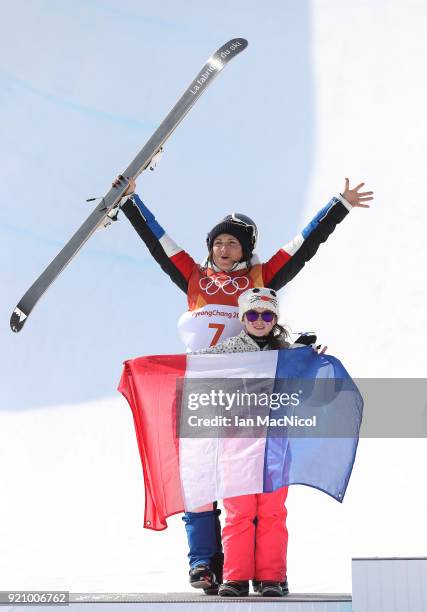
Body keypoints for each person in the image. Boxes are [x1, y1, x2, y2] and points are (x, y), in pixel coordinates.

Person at [113, 175, 372, 592]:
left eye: (233, 243)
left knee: (239, 483)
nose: (223, 249)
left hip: (246, 397)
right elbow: (160, 242)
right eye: (218, 242)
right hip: (200, 391)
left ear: (247, 249)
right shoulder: (194, 278)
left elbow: (303, 244)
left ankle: (252, 570)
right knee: (197, 479)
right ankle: (204, 563)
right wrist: (129, 203)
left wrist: (339, 204)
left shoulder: (261, 277)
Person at [193, 286, 325, 598]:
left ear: (275, 317)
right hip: (238, 440)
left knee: (272, 512)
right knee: (239, 510)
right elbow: (196, 365)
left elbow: (303, 395)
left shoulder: (287, 352)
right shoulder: (229, 349)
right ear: (243, 318)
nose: (260, 320)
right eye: (252, 314)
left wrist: (308, 363)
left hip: (275, 441)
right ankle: (236, 577)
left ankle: (271, 577)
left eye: (267, 314)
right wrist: (164, 364)